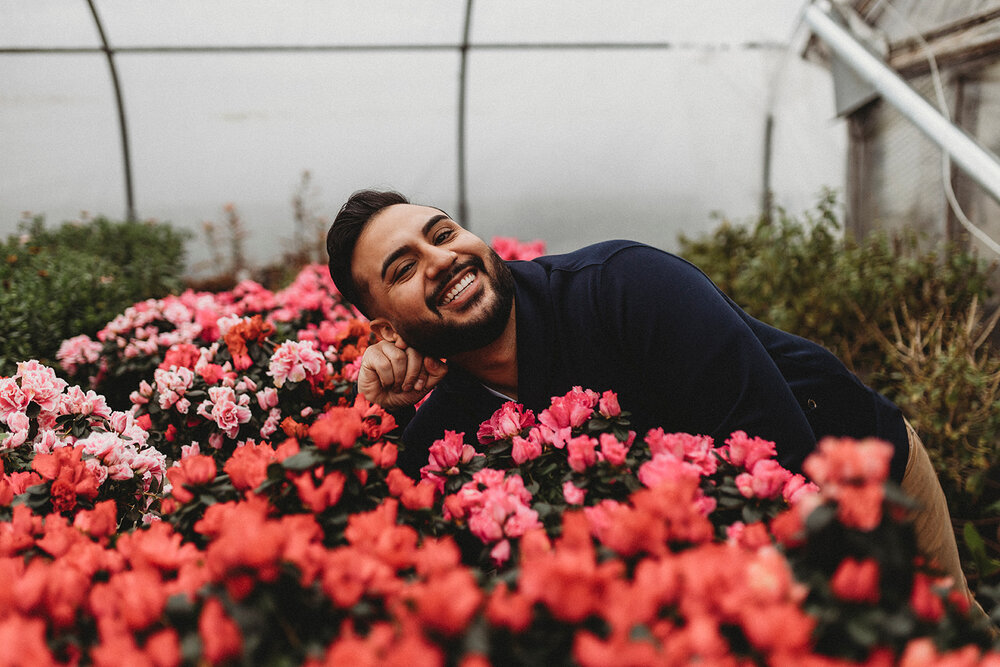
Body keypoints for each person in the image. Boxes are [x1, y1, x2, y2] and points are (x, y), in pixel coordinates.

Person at [326, 188, 970, 601]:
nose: (440, 260)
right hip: (705, 582)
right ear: (384, 327)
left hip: (853, 470)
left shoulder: (623, 287)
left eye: (441, 234)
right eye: (403, 269)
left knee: (951, 644)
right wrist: (394, 405)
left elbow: (783, 450)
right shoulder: (440, 431)